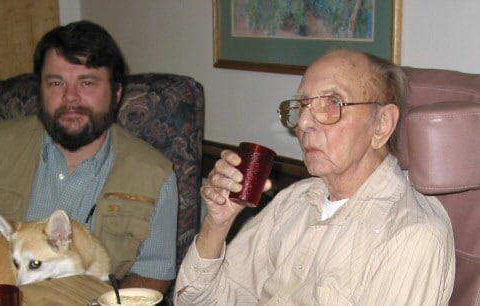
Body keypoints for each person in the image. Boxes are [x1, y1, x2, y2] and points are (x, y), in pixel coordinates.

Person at [174, 50, 455, 305]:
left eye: (333, 102)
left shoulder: (413, 235)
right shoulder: (294, 201)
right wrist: (216, 223)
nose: (305, 123)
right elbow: (196, 301)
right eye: (302, 105)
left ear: (381, 125)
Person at [0, 21, 177, 294]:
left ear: (116, 93)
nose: (70, 98)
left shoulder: (156, 177)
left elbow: (152, 276)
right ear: (40, 90)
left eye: (87, 82)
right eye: (56, 82)